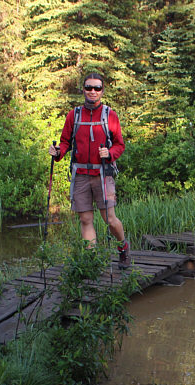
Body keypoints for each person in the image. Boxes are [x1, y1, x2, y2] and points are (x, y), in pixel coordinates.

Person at [49, 72, 130, 267]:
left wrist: (109, 153)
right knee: (85, 219)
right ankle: (91, 261)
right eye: (89, 87)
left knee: (109, 219)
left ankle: (123, 247)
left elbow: (119, 145)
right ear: (83, 90)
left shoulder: (109, 115)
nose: (93, 91)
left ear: (102, 91)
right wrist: (58, 152)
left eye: (97, 88)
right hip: (80, 175)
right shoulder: (74, 115)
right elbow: (65, 142)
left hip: (103, 173)